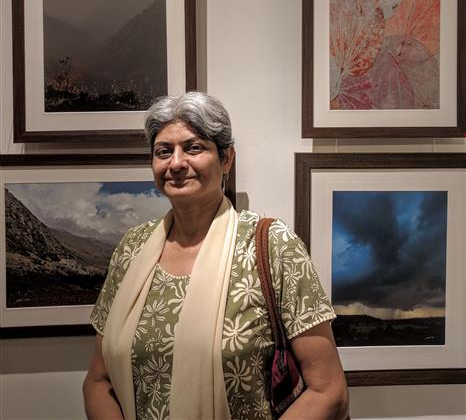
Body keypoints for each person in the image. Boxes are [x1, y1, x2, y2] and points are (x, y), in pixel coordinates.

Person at [83, 91, 349, 420]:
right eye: (163, 151)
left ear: (226, 160)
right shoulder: (132, 248)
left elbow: (328, 390)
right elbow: (98, 381)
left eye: (193, 147)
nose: (176, 163)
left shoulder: (272, 245)